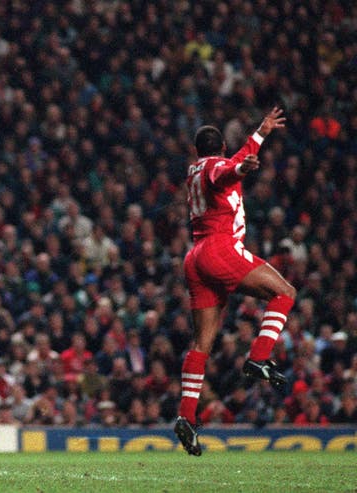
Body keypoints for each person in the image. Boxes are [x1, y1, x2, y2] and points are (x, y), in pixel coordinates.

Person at [174, 108, 296, 456]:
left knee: (201, 344)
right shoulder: (217, 166)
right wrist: (242, 168)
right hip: (219, 248)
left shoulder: (194, 168)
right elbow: (228, 171)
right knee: (285, 292)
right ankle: (258, 357)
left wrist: (261, 132)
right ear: (221, 147)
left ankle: (186, 415)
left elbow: (233, 162)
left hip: (195, 257)